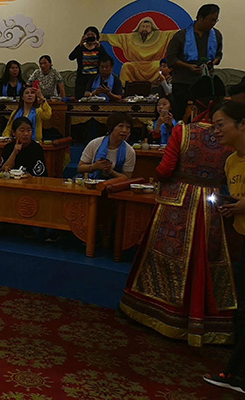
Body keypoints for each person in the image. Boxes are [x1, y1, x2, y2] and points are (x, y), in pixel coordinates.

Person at [119, 75, 234, 347]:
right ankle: (208, 321)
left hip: (179, 201)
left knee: (169, 255)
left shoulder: (184, 132)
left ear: (194, 105)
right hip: (213, 201)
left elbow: (164, 170)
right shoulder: (229, 135)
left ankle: (162, 314)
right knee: (209, 258)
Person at [203, 100, 245, 393]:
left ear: (242, 124)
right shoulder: (231, 161)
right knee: (241, 310)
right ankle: (237, 373)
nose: (216, 131)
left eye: (221, 125)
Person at [166, 4, 222, 123]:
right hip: (183, 83)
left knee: (205, 118)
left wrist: (213, 62)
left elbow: (218, 55)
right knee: (181, 117)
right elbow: (171, 58)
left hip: (205, 84)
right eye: (211, 20)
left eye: (215, 20)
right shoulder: (181, 36)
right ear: (200, 17)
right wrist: (188, 67)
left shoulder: (216, 35)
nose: (213, 23)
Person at [101, 16, 180, 84]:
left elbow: (172, 34)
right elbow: (117, 37)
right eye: (143, 26)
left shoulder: (160, 36)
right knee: (126, 66)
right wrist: (100, 37)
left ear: (152, 28)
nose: (144, 29)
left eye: (147, 27)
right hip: (136, 66)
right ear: (138, 27)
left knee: (159, 67)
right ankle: (126, 89)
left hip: (153, 66)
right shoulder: (130, 37)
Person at [77, 112, 136, 179]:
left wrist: (111, 172)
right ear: (112, 127)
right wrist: (95, 166)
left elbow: (127, 178)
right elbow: (80, 168)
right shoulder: (95, 143)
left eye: (128, 127)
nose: (124, 130)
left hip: (115, 184)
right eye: (121, 126)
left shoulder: (129, 151)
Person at [69, 26, 110, 99]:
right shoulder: (81, 48)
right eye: (88, 35)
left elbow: (107, 60)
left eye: (92, 35)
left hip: (95, 78)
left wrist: (99, 48)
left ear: (96, 36)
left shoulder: (99, 48)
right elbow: (71, 57)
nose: (90, 37)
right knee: (80, 99)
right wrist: (80, 44)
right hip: (82, 79)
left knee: (95, 99)